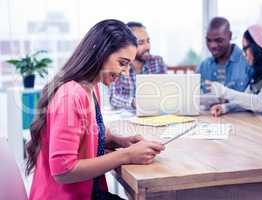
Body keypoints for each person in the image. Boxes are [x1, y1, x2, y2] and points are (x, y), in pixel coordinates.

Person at [26, 19, 165, 200]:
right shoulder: (71, 95)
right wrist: (126, 155)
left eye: (128, 65)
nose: (124, 72)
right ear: (100, 53)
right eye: (122, 63)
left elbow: (88, 133)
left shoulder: (91, 88)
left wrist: (119, 140)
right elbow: (63, 171)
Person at [109, 21, 167, 110]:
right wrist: (134, 103)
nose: (147, 46)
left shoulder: (157, 61)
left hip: (155, 114)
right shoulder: (118, 65)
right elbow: (114, 98)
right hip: (127, 117)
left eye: (148, 41)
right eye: (141, 43)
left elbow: (166, 92)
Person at [196, 17, 253, 93]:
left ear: (230, 36)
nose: (213, 45)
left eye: (219, 40)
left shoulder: (248, 62)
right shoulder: (203, 66)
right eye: (208, 40)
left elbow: (254, 99)